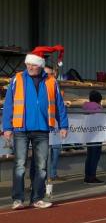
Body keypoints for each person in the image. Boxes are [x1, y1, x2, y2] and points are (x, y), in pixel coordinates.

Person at [2, 46, 69, 209]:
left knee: (41, 166)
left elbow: (59, 105)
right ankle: (18, 199)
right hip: (21, 129)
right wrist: (7, 127)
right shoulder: (17, 79)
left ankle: (37, 198)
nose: (30, 67)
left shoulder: (52, 81)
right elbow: (9, 104)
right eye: (28, 64)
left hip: (42, 129)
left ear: (40, 65)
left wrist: (63, 125)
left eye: (33, 65)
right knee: (19, 165)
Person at [82, 90, 104, 184]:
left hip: (88, 135)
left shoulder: (85, 107)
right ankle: (92, 177)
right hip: (96, 135)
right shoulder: (98, 109)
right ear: (99, 100)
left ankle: (87, 176)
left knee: (89, 156)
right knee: (95, 156)